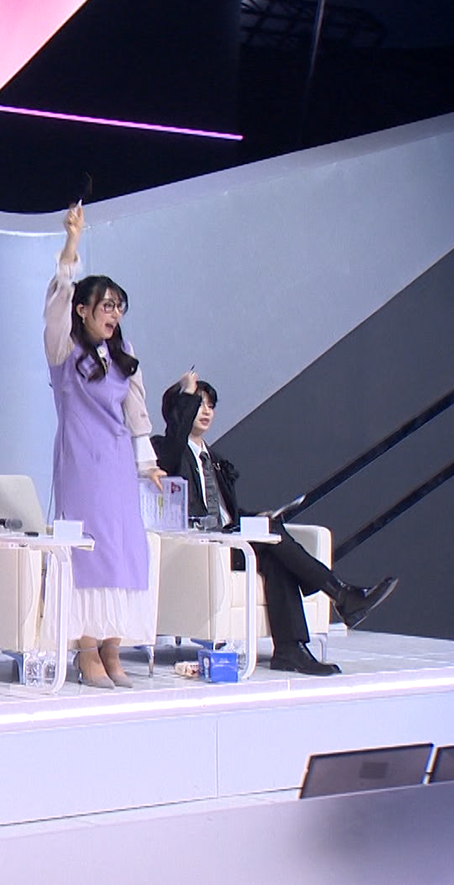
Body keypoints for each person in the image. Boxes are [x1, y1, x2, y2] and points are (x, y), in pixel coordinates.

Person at [154, 374, 399, 674]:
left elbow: (226, 513)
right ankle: (342, 595)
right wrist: (186, 392)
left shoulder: (215, 459)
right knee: (273, 538)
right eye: (198, 404)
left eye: (210, 406)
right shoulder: (166, 450)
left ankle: (290, 650)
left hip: (231, 539)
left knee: (276, 555)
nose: (206, 411)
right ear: (180, 409)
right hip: (201, 547)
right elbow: (175, 449)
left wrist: (255, 517)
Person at [44, 203, 163, 689]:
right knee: (89, 549)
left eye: (118, 307)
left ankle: (113, 645)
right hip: (81, 462)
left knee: (123, 549)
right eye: (106, 306)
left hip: (116, 464)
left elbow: (136, 407)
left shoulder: (123, 354)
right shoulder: (63, 349)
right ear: (83, 310)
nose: (114, 315)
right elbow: (57, 301)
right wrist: (72, 242)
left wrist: (147, 461)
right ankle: (86, 648)